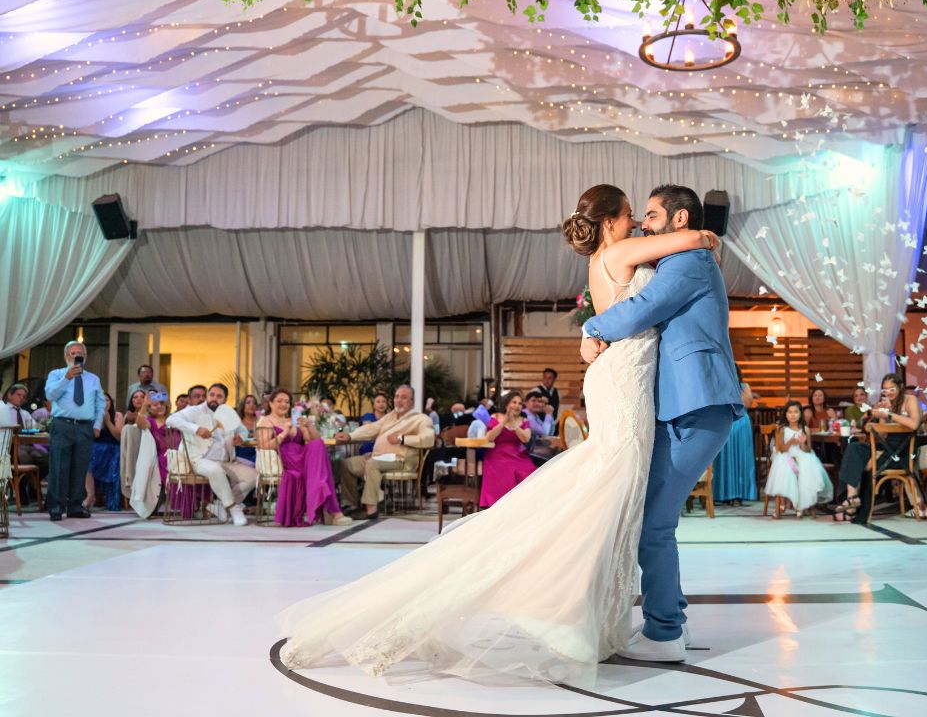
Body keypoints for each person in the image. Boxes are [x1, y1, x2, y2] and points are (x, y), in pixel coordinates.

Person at [278, 183, 736, 681]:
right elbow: (640, 304)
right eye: (634, 214)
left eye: (649, 215)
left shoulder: (679, 257)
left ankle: (641, 622)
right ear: (610, 221)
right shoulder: (649, 251)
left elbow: (643, 307)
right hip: (641, 391)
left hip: (682, 399)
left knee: (628, 510)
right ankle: (615, 617)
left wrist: (594, 327)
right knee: (625, 508)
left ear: (679, 217)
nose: (642, 222)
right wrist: (598, 324)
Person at [333, 385, 435, 521]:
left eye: (403, 398)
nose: (399, 400)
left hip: (401, 460)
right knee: (347, 464)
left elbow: (429, 439)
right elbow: (372, 428)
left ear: (411, 402)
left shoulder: (421, 419)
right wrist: (351, 436)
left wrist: (402, 438)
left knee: (372, 464)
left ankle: (371, 509)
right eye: (397, 397)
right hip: (378, 458)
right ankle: (351, 505)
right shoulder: (390, 417)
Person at [835, 373, 926, 522]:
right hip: (887, 446)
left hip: (903, 451)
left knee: (864, 463)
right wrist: (880, 417)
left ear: (900, 387)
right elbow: (883, 435)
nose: (888, 393)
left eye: (892, 389)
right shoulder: (886, 403)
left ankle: (852, 509)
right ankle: (852, 497)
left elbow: (914, 424)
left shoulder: (910, 400)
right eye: (885, 390)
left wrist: (889, 414)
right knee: (854, 448)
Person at [256, 389, 351, 527]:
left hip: (301, 455)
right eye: (279, 401)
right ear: (270, 403)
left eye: (287, 402)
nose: (283, 404)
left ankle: (331, 510)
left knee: (318, 444)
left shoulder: (291, 420)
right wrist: (284, 433)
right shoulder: (266, 421)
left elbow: (312, 439)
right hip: (287, 459)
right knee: (321, 472)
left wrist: (308, 426)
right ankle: (333, 511)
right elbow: (264, 445)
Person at [166, 383, 256, 526]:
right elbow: (170, 420)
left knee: (253, 476)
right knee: (215, 470)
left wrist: (241, 438)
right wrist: (196, 429)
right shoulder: (195, 410)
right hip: (199, 459)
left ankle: (220, 505)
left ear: (225, 399)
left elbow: (244, 431)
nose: (214, 398)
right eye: (212, 394)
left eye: (219, 396)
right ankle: (233, 508)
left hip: (225, 460)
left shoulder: (228, 413)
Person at [43, 342, 105, 521]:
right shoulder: (56, 374)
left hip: (85, 426)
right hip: (62, 425)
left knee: (80, 468)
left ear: (84, 357)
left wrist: (97, 425)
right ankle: (56, 507)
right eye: (72, 353)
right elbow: (50, 395)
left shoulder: (93, 378)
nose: (76, 356)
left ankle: (76, 506)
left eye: (79, 353)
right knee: (59, 468)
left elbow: (100, 403)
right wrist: (67, 378)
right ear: (66, 356)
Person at [764, 400, 832, 518]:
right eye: (790, 412)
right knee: (787, 468)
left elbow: (808, 449)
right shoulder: (782, 429)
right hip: (786, 457)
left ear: (801, 413)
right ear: (785, 414)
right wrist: (790, 442)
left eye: (796, 412)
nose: (793, 415)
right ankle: (791, 503)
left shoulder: (805, 429)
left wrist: (802, 444)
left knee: (807, 466)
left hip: (802, 456)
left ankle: (801, 504)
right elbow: (781, 449)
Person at [480, 390, 535, 506]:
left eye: (520, 404)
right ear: (506, 404)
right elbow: (489, 437)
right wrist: (504, 421)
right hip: (497, 454)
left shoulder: (524, 420)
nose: (517, 406)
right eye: (514, 402)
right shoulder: (495, 416)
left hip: (518, 454)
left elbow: (526, 439)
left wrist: (515, 424)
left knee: (530, 471)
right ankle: (502, 506)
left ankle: (523, 505)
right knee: (506, 471)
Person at [712, 371, 756, 505]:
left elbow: (748, 403)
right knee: (724, 458)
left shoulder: (744, 386)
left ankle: (738, 494)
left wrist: (736, 387)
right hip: (724, 421)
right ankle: (722, 493)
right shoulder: (718, 383)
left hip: (741, 423)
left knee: (741, 457)